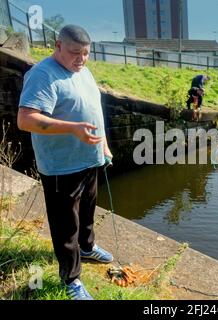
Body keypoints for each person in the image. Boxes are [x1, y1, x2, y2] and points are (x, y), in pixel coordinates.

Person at [17, 25, 114, 300]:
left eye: (86, 53)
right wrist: (71, 128)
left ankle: (87, 247)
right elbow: (26, 119)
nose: (81, 59)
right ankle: (71, 278)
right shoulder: (42, 74)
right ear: (58, 46)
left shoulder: (84, 71)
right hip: (62, 166)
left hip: (90, 160)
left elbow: (95, 109)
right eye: (74, 52)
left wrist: (104, 144)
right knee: (65, 226)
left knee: (87, 212)